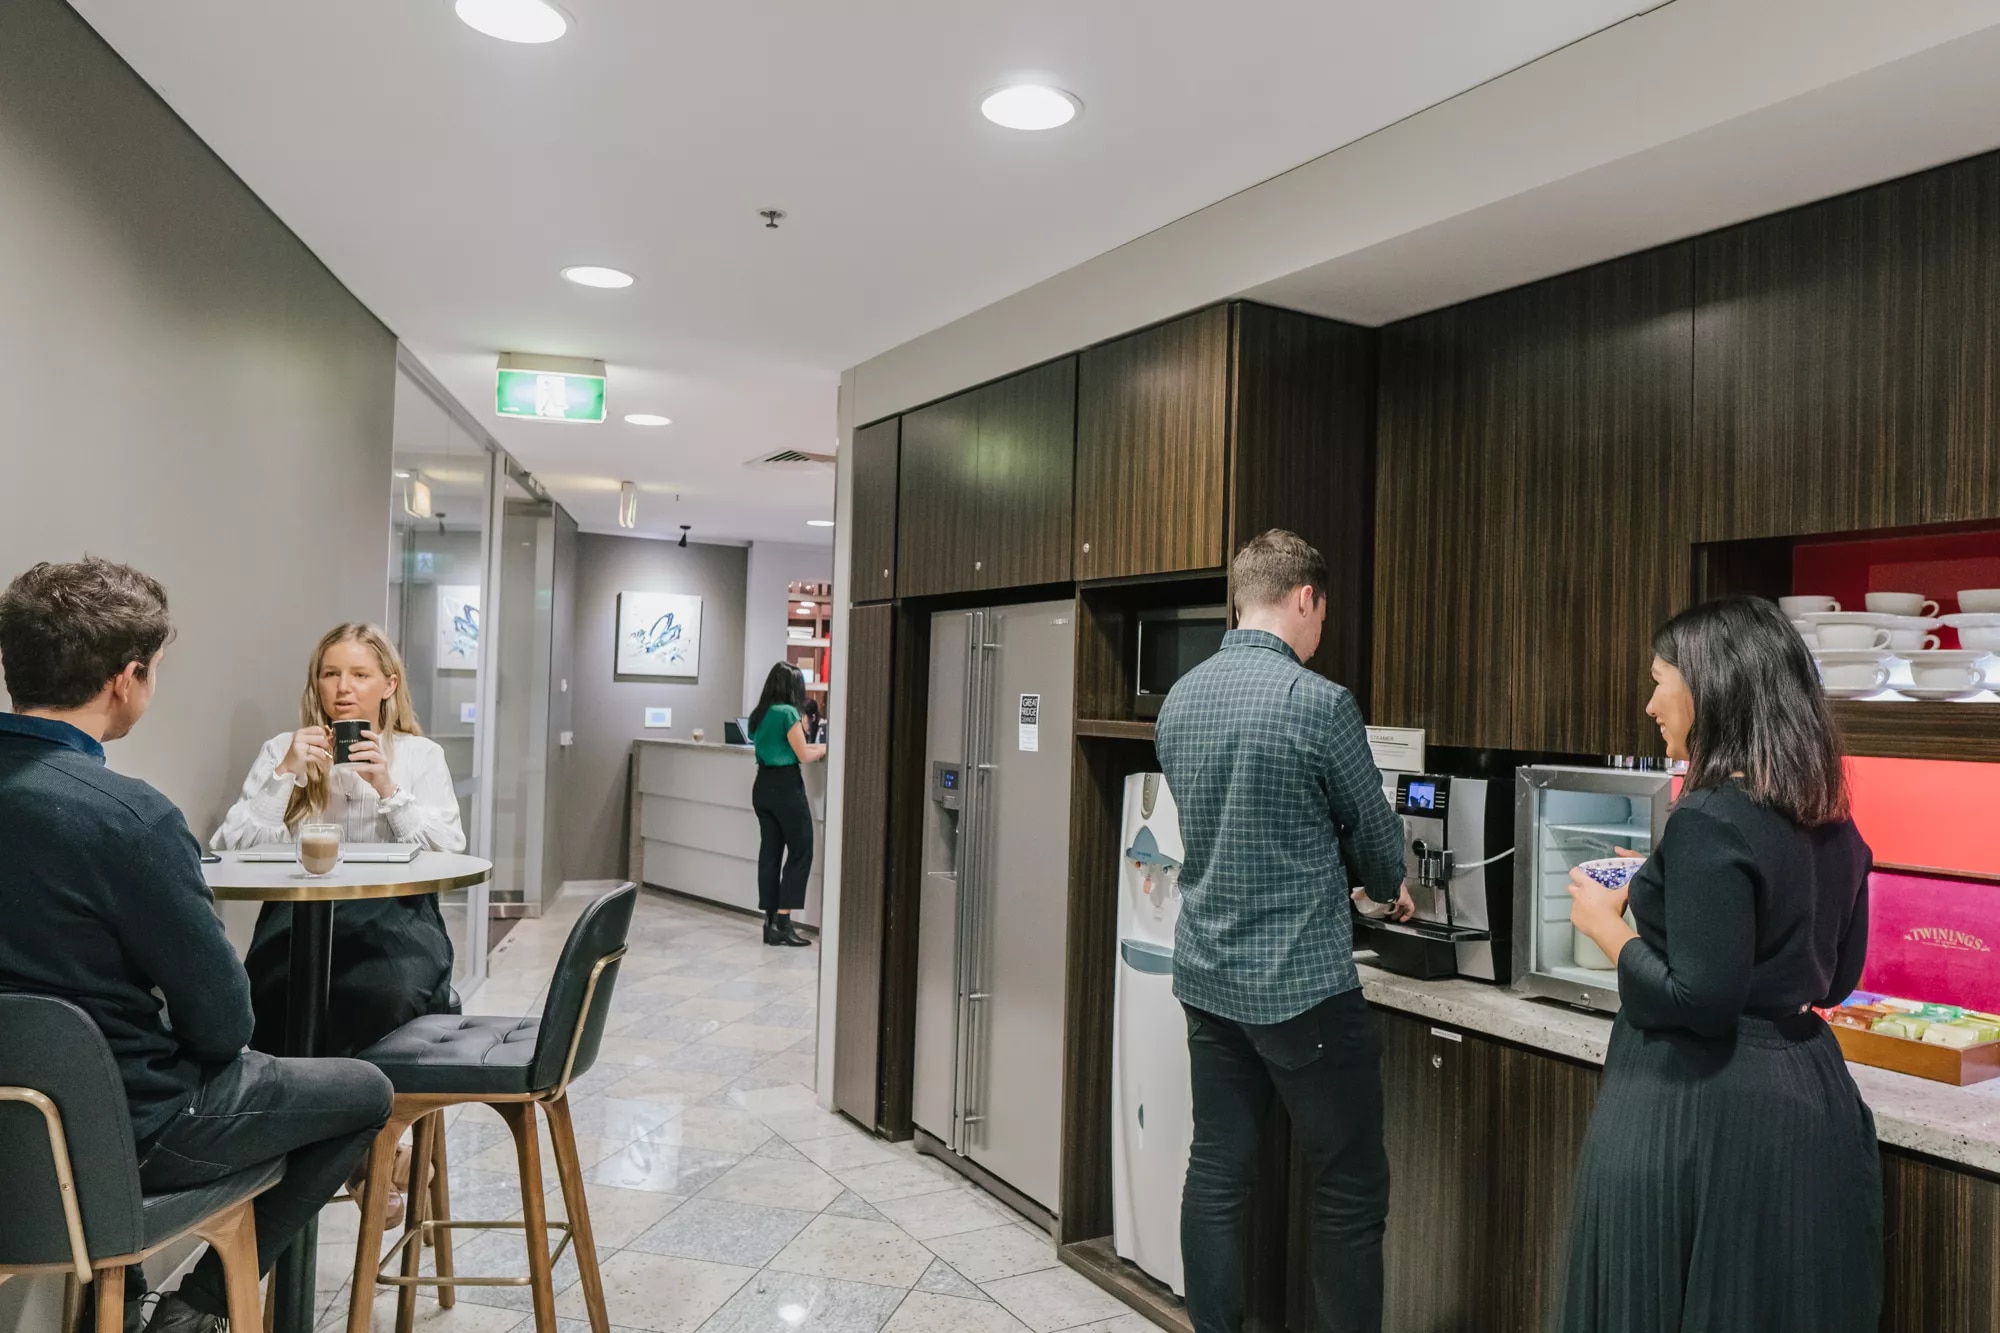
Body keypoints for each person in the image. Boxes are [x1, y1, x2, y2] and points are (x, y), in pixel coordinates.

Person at [0, 559, 392, 1333]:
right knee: (365, 1092)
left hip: (19, 1127)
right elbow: (223, 1023)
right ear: (128, 678)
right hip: (124, 1131)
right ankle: (198, 1307)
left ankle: (138, 1296)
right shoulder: (130, 819)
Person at [1558, 596, 1879, 1332]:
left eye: (1659, 678)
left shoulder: (1705, 817)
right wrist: (1669, 881)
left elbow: (1698, 996)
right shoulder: (1832, 817)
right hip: (1808, 1098)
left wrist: (1605, 925)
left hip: (1698, 1109)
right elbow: (1833, 979)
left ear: (1711, 685)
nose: (1649, 703)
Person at [1155, 530, 1414, 1333]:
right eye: (1321, 615)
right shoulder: (1319, 702)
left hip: (1208, 977)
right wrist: (1386, 882)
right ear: (1305, 598)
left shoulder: (1181, 698)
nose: (1319, 633)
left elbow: (1225, 818)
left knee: (1218, 1171)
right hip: (1301, 989)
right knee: (1347, 1183)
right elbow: (1373, 829)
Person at [212, 623, 465, 1060]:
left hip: (396, 916)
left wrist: (388, 789)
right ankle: (299, 1114)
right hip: (296, 915)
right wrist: (285, 775)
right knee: (269, 994)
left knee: (384, 996)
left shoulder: (420, 756)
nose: (343, 688)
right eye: (330, 674)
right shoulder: (282, 750)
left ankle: (373, 1117)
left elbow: (448, 854)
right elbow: (230, 850)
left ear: (389, 684)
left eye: (359, 675)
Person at [747, 661, 825, 947]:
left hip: (763, 786)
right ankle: (784, 921)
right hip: (786, 789)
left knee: (770, 852)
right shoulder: (788, 712)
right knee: (801, 850)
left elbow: (774, 746)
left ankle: (769, 923)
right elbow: (803, 754)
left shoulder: (761, 713)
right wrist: (825, 749)